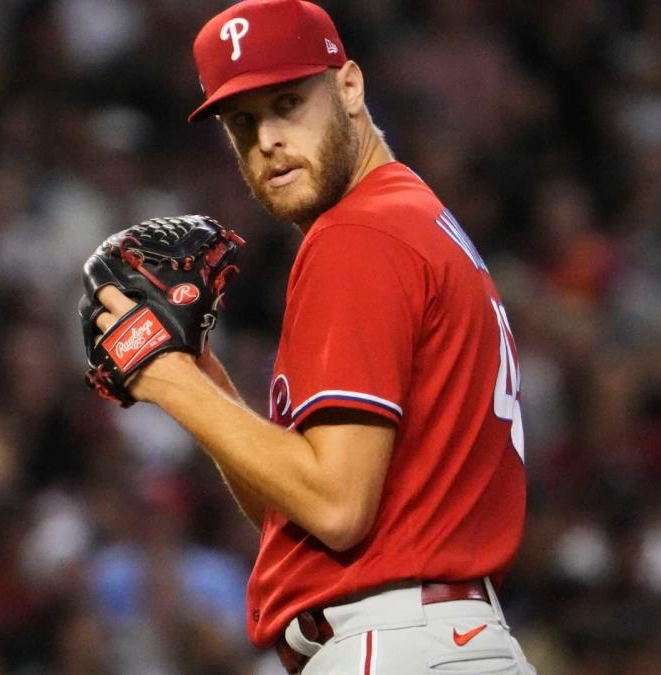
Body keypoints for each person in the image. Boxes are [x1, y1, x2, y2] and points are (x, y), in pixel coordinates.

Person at [88, 1, 537, 672]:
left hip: (398, 641)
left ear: (350, 87)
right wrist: (199, 369)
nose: (267, 138)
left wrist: (164, 378)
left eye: (289, 103)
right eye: (243, 122)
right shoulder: (411, 215)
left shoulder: (358, 235)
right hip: (441, 637)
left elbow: (337, 504)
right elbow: (297, 507)